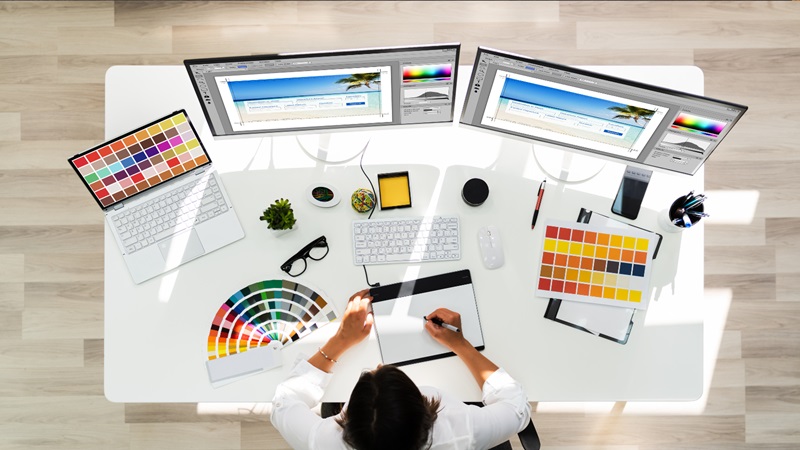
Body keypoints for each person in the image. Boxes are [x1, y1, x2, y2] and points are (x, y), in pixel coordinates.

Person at [271, 289, 531, 449]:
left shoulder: (323, 441)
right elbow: (517, 407)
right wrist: (461, 344)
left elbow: (284, 402)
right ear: (425, 411)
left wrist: (340, 340)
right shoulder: (460, 431)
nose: (380, 365)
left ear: (346, 422)